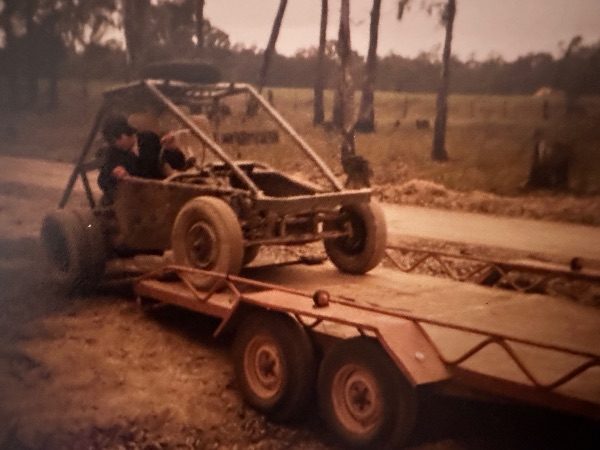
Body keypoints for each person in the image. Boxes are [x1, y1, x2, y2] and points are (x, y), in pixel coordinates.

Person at [98, 114, 187, 201]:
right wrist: (114, 174)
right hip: (138, 201)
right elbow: (102, 180)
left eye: (114, 141)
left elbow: (179, 164)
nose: (115, 145)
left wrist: (172, 149)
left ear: (123, 135)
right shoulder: (113, 153)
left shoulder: (149, 139)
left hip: (162, 193)